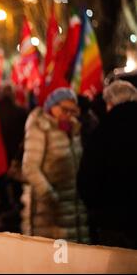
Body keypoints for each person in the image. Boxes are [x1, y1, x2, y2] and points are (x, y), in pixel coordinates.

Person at [21, 88, 89, 243]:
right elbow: (30, 167)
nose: (69, 115)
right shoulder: (40, 128)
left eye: (73, 111)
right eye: (65, 110)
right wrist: (50, 196)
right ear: (52, 106)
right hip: (51, 212)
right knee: (56, 260)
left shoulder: (73, 128)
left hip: (74, 205)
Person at [78, 80, 137, 249]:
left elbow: (86, 179)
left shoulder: (103, 132)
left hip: (112, 222)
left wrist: (96, 210)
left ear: (109, 103)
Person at [0, 84, 28, 212]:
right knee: (16, 179)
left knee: (1, 179)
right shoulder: (21, 111)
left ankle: (3, 203)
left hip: (0, 150)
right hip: (16, 150)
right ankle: (18, 203)